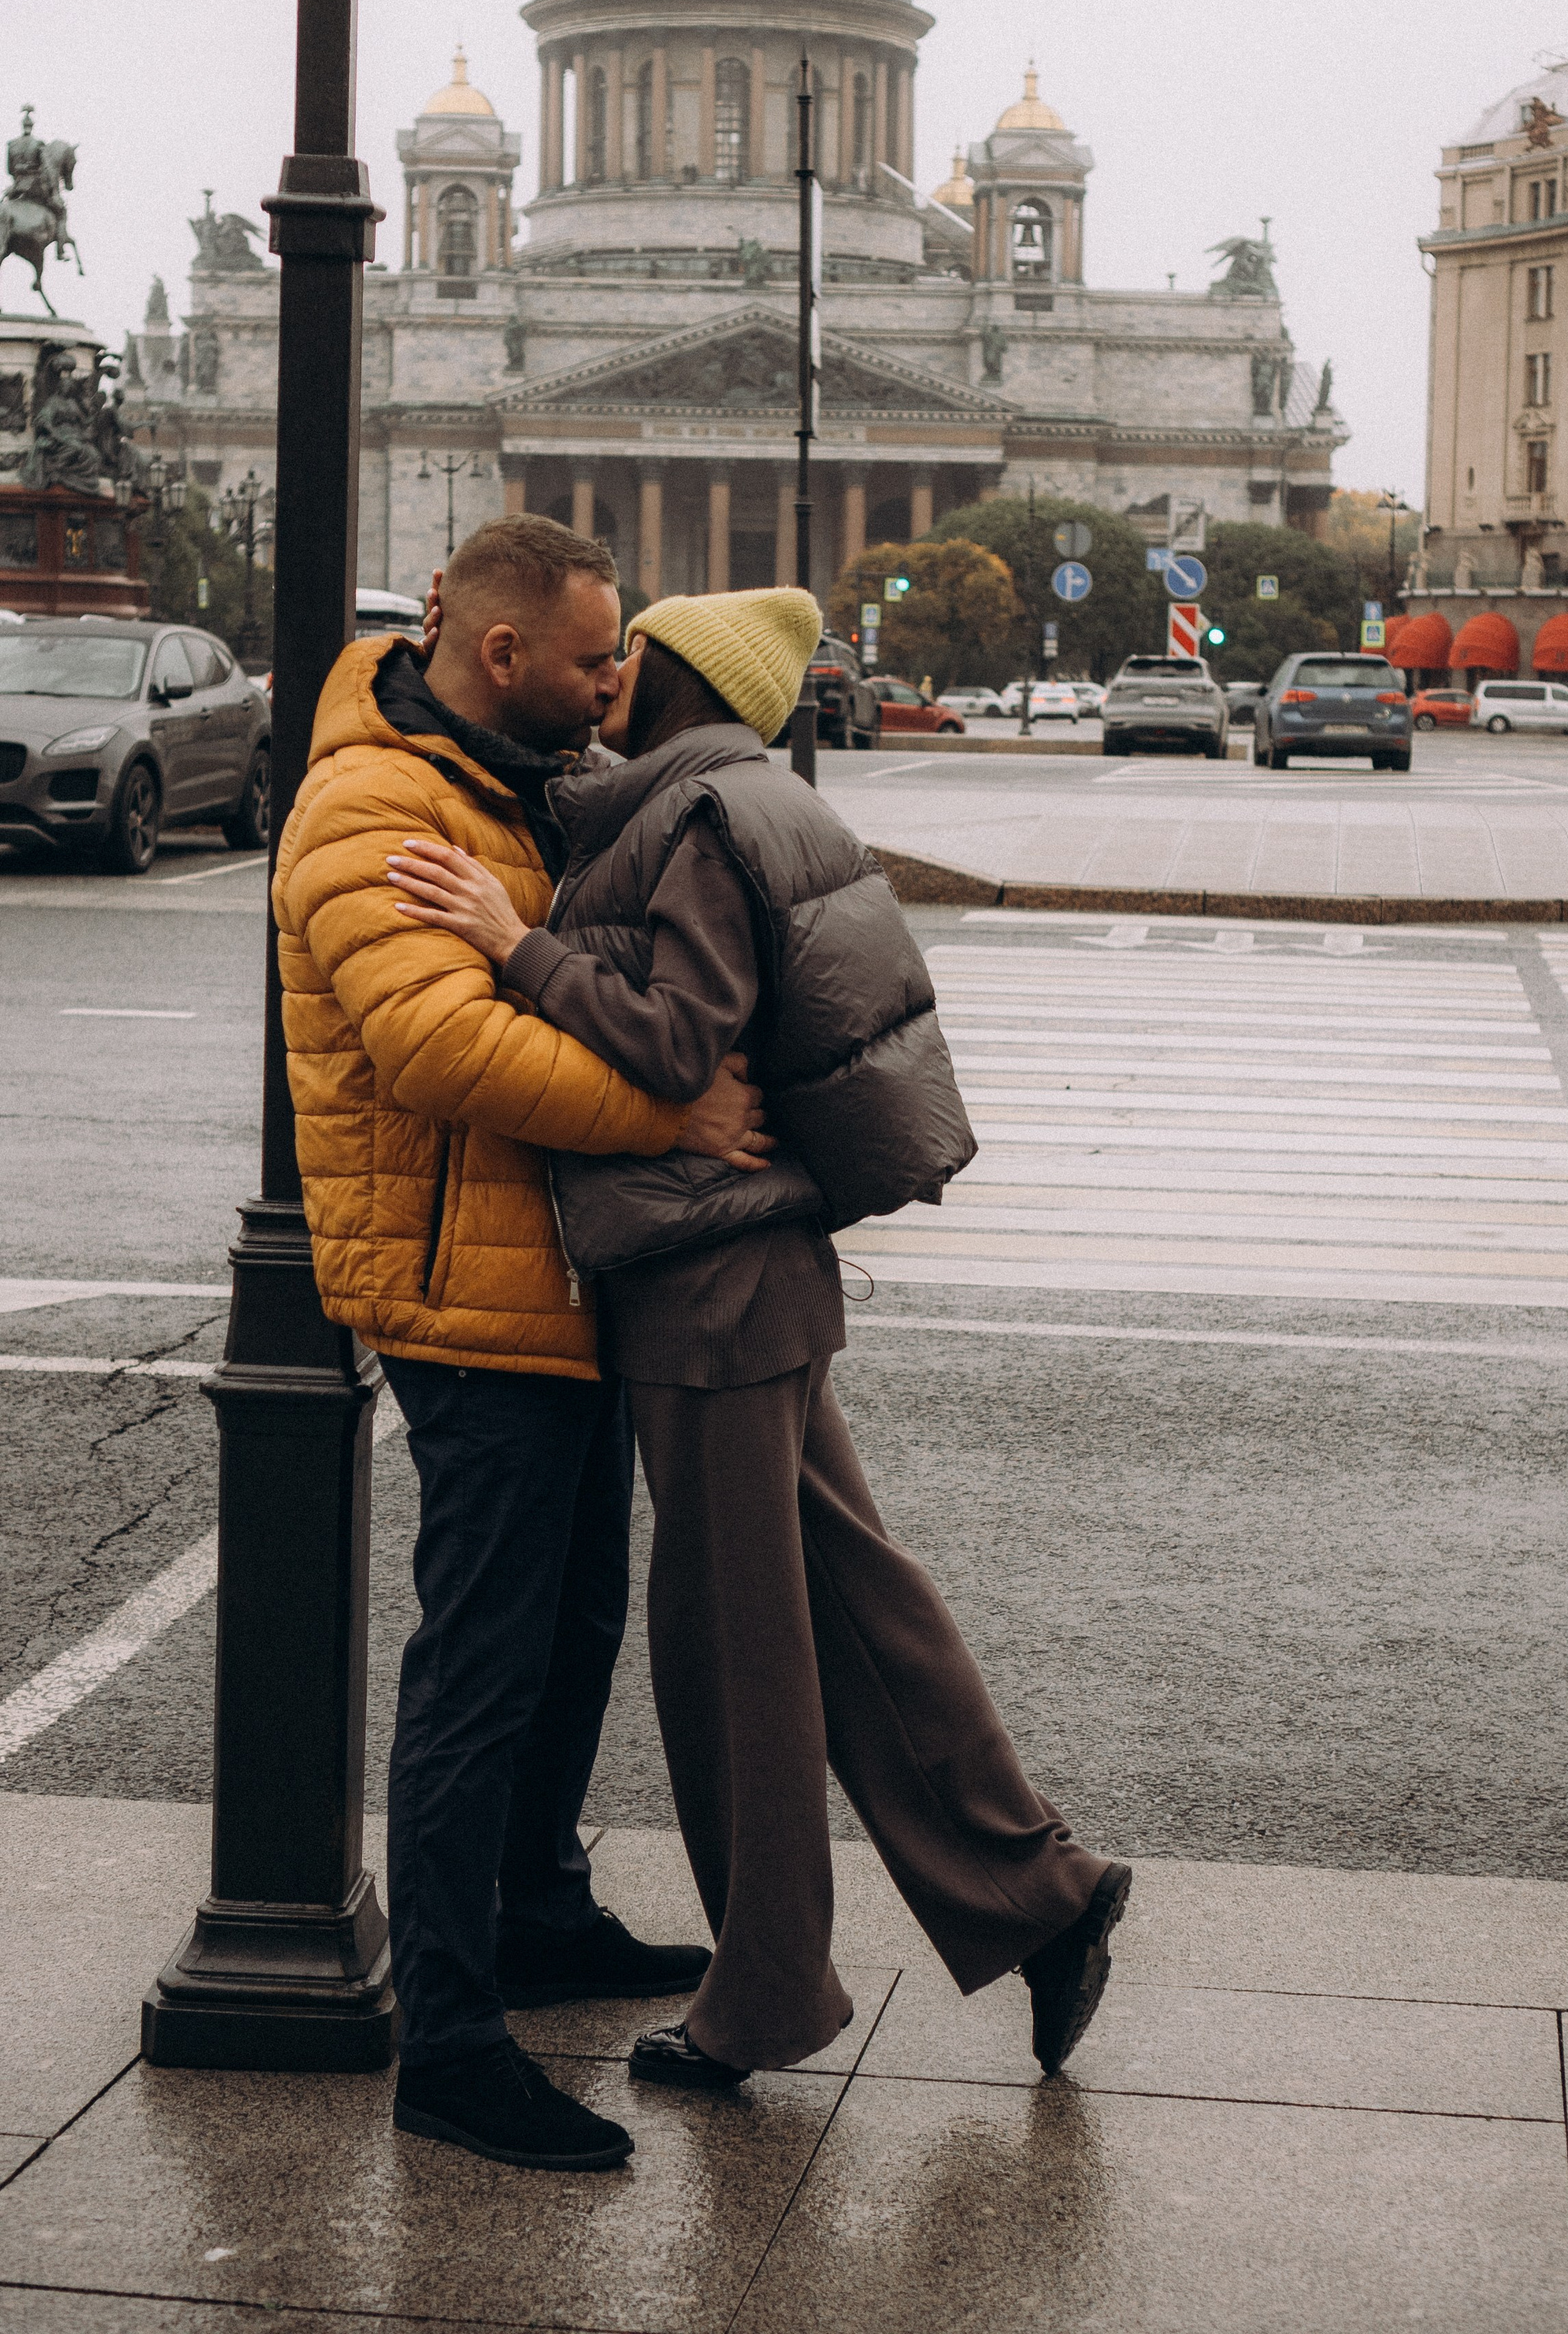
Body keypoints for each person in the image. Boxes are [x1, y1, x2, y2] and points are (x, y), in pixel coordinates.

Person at [387, 584, 1132, 2091]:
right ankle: (1038, 1895)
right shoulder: (736, 799)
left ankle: (766, 1992)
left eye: (627, 653)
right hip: (749, 1277)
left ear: (680, 676)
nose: (607, 674)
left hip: (708, 1283)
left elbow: (673, 1042)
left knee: (734, 1655)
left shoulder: (703, 818)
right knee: (852, 1610)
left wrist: (508, 944)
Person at [272, 516, 776, 2175]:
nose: (615, 680)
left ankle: (538, 1912)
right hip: (462, 1291)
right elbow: (440, 1051)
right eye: (591, 656)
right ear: (501, 656)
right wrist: (673, 1110)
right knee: (479, 1670)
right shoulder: (372, 803)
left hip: (546, 1279)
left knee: (569, 1626)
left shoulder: (499, 783)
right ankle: (456, 2044)